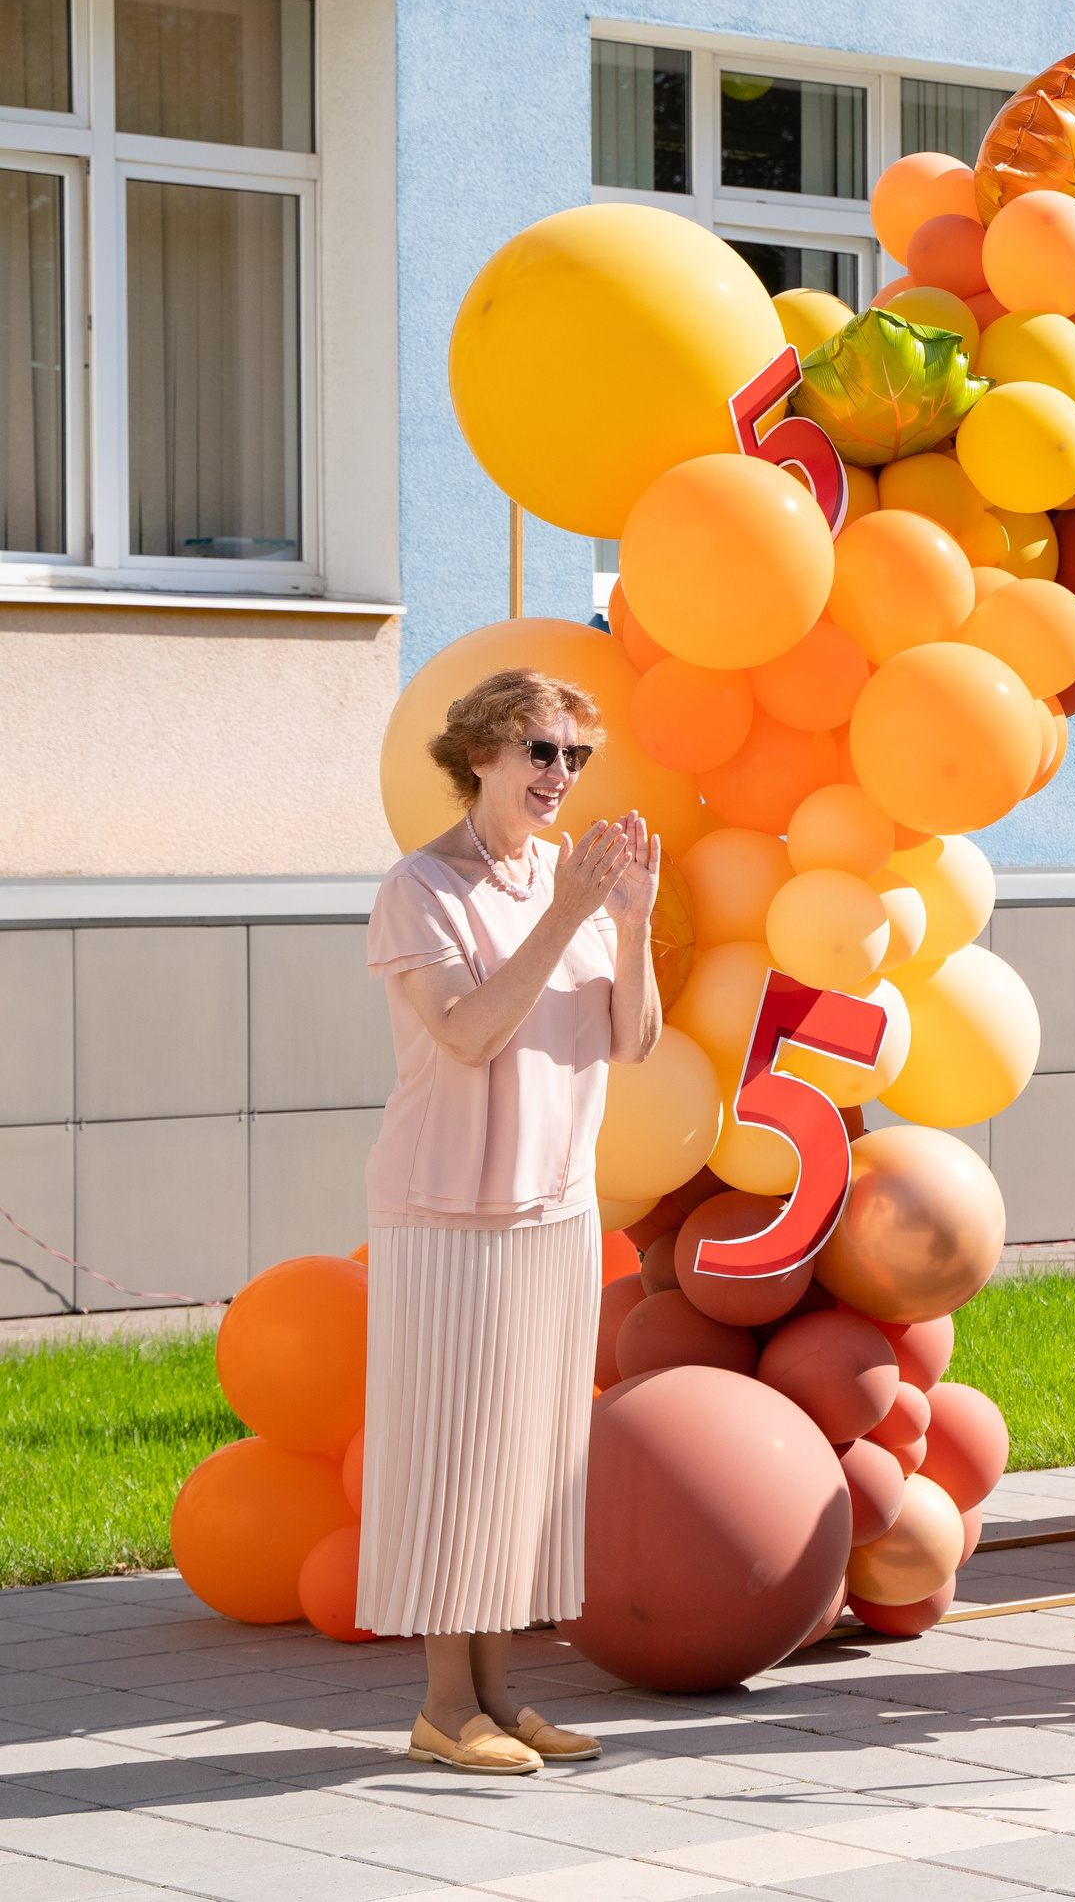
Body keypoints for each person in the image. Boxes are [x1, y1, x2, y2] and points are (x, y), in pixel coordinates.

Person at [360, 670, 660, 1774]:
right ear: (480, 752)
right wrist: (571, 912)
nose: (559, 776)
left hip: (554, 1211)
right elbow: (470, 1031)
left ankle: (494, 1695)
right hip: (447, 1209)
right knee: (453, 1457)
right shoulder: (422, 886)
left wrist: (628, 926)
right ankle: (445, 1707)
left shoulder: (567, 879)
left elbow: (633, 1041)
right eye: (540, 750)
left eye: (576, 758)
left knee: (519, 1463)